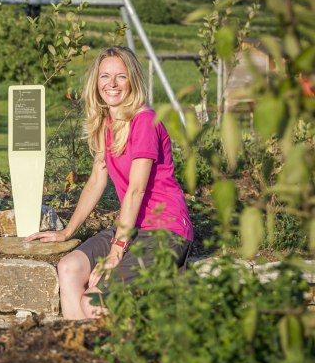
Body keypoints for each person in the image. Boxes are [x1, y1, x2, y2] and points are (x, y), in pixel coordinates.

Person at [26, 46, 193, 319]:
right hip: (132, 226)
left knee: (94, 302)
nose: (112, 84)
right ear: (96, 81)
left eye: (121, 76)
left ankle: (112, 346)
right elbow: (96, 180)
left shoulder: (145, 121)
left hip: (164, 229)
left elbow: (136, 190)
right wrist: (67, 231)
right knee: (68, 268)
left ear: (133, 81)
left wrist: (117, 250)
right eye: (105, 76)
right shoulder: (107, 122)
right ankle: (79, 344)